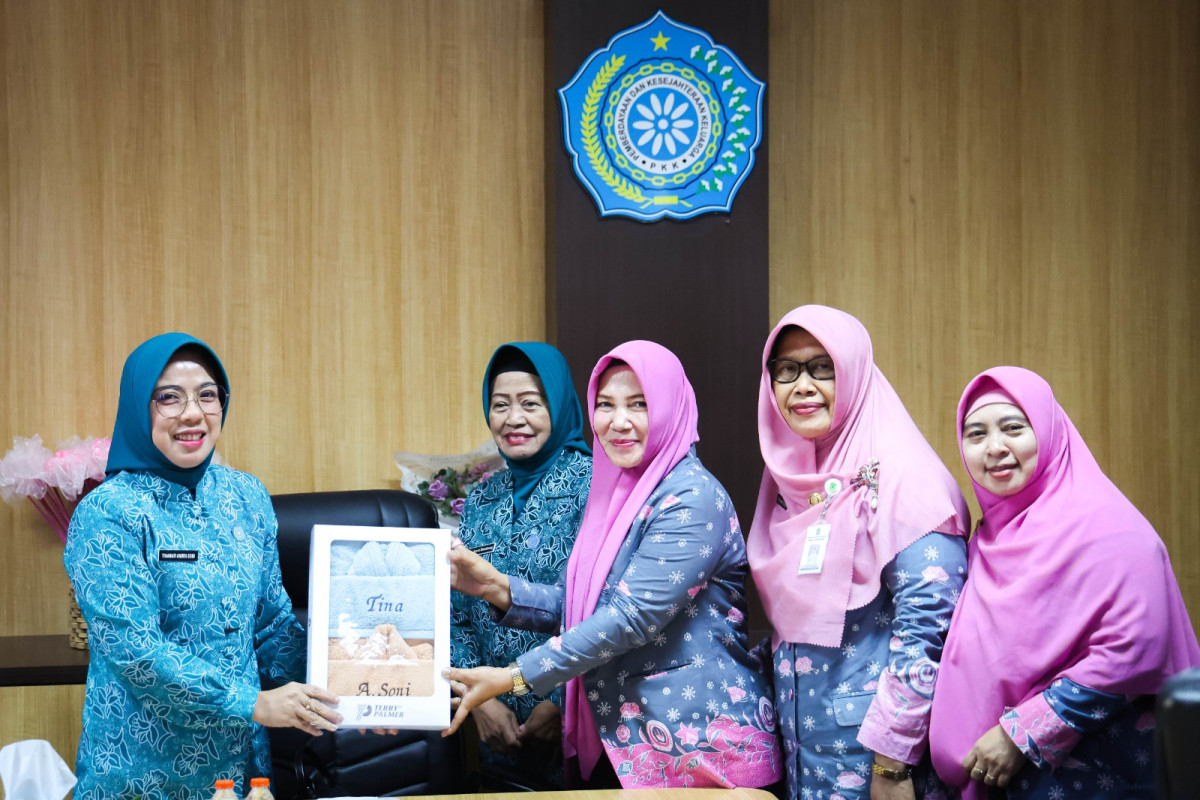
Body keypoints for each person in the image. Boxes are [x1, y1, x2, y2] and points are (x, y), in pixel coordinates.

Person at [444, 340, 782, 789]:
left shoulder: (691, 496)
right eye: (605, 404)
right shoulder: (620, 493)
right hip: (630, 744)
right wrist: (497, 587)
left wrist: (515, 678)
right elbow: (590, 604)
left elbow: (630, 617)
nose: (618, 421)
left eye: (639, 404)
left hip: (703, 745)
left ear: (669, 408)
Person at [65, 333, 342, 799]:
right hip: (144, 775)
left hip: (241, 770)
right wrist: (251, 702)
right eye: (168, 398)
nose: (192, 413)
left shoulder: (246, 496)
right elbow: (136, 652)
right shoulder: (107, 514)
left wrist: (355, 686)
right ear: (138, 407)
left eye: (207, 395)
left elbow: (271, 627)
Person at [929, 366, 1200, 799]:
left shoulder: (1110, 529)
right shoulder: (990, 536)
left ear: (1049, 432)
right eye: (976, 434)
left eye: (1014, 428)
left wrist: (1022, 732)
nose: (995, 448)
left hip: (1094, 775)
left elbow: (1135, 646)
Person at [747, 305, 971, 799]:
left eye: (822, 367)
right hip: (807, 755)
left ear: (853, 372)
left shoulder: (907, 478)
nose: (802, 385)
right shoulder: (791, 482)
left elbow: (929, 632)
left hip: (878, 765)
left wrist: (891, 764)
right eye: (786, 370)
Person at [450, 342, 591, 787]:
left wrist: (566, 704)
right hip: (497, 741)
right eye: (500, 405)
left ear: (560, 405)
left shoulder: (599, 488)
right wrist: (478, 703)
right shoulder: (481, 499)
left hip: (580, 734)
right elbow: (455, 614)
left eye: (531, 403)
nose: (514, 419)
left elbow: (615, 612)